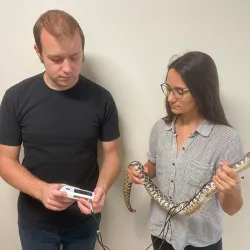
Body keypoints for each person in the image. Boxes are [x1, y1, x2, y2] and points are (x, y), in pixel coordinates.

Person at [0, 9, 120, 250]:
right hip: (36, 222)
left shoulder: (102, 98)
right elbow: (4, 160)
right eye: (56, 59)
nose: (68, 68)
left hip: (84, 218)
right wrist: (41, 190)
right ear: (38, 52)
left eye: (75, 57)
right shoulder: (16, 98)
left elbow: (112, 154)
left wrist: (102, 188)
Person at [128, 51, 244, 250]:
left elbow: (232, 209)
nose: (171, 97)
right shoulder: (159, 129)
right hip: (161, 234)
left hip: (200, 241)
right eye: (168, 89)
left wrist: (232, 189)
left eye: (179, 91)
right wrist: (139, 171)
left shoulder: (225, 139)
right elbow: (153, 167)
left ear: (202, 91)